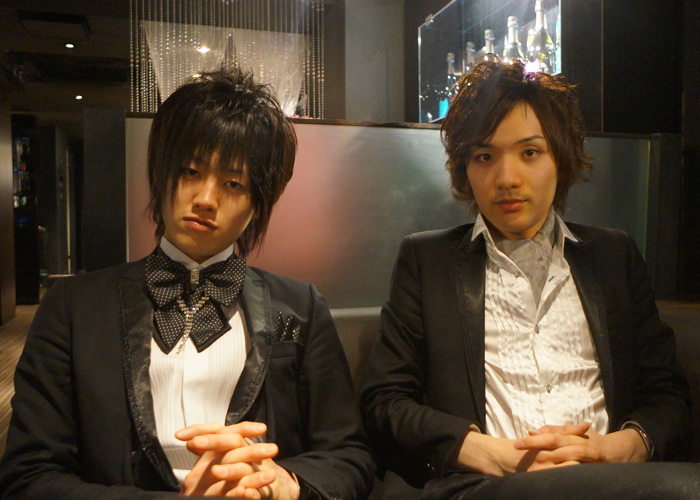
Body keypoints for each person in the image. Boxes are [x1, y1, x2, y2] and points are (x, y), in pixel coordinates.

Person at [0, 67, 374, 500]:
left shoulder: (301, 306)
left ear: (259, 203)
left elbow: (349, 455)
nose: (206, 199)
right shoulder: (73, 307)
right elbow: (29, 475)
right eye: (191, 171)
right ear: (160, 173)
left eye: (233, 183)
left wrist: (285, 484)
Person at [360, 59, 696, 500]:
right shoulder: (428, 261)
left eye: (530, 152)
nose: (507, 179)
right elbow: (384, 402)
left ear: (561, 158)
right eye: (484, 156)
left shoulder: (614, 256)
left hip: (614, 484)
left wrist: (617, 449)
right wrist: (490, 453)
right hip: (487, 487)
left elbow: (668, 396)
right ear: (465, 169)